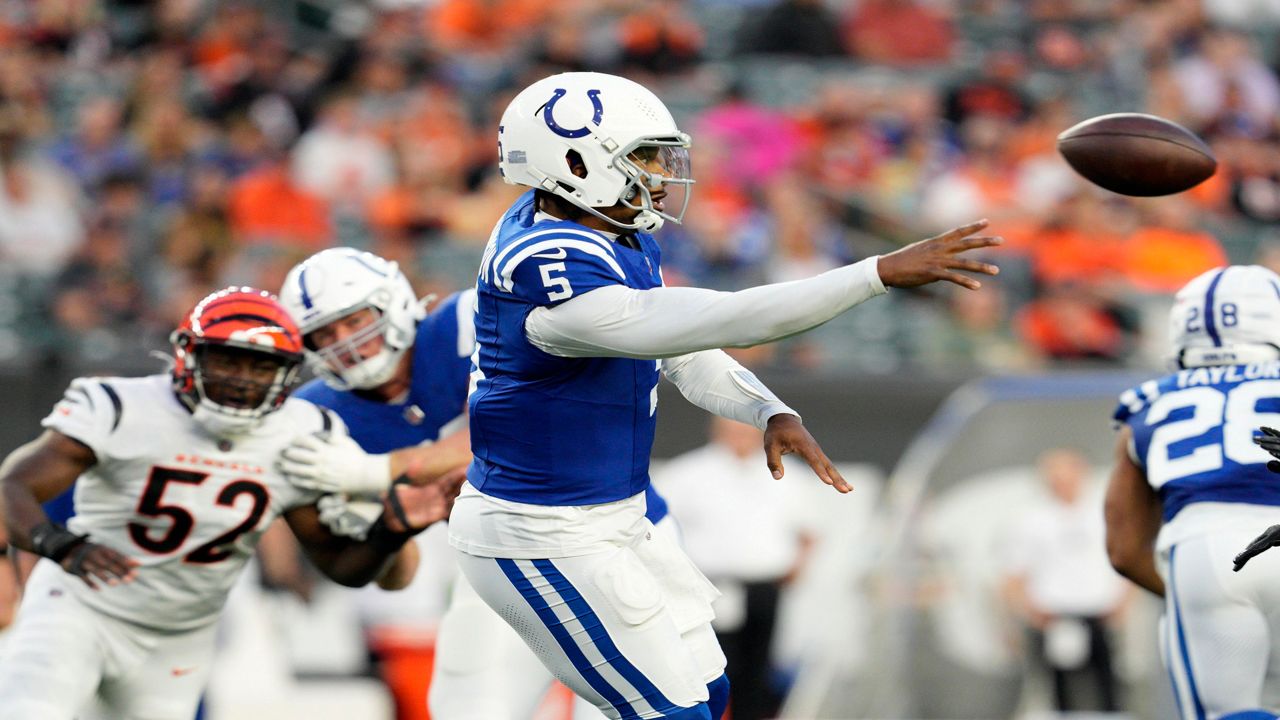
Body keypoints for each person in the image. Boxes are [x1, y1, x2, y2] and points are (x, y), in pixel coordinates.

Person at [450, 70, 1000, 719]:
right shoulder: (545, 268)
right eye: (640, 158)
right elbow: (727, 319)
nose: (658, 174)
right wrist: (876, 272)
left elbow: (677, 348)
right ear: (573, 164)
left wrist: (765, 407)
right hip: (540, 532)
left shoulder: (606, 231)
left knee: (711, 697)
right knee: (673, 713)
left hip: (616, 514)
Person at [0, 287, 454, 720]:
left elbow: (341, 567)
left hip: (180, 634)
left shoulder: (299, 434)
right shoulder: (124, 406)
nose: (242, 379)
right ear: (188, 354)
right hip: (80, 608)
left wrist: (392, 530)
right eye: (227, 361)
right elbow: (13, 488)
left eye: (261, 367)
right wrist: (63, 546)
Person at [276, 247, 667, 719]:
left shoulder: (470, 320)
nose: (344, 342)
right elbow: (387, 575)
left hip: (623, 539)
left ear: (392, 301)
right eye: (325, 334)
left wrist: (378, 470)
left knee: (653, 705)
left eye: (355, 321)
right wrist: (388, 527)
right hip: (502, 566)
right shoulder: (315, 417)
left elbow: (523, 424)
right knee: (469, 709)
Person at [1106, 265, 1280, 719]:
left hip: (1203, 547)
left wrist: (1191, 597)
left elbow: (1124, 550)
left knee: (1227, 712)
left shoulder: (1150, 401)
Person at [653, 417, 815, 720]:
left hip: (765, 586)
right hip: (709, 588)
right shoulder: (687, 473)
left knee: (760, 665)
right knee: (710, 666)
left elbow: (808, 529)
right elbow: (659, 527)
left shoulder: (788, 475)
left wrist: (798, 566)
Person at [1003, 448, 1128, 713]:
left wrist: (1124, 602)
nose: (1063, 484)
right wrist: (1027, 610)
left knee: (1110, 689)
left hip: (1100, 613)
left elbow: (1126, 560)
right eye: (1056, 478)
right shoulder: (1031, 519)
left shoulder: (1104, 513)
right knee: (1059, 693)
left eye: (1068, 477)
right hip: (1053, 616)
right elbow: (1014, 572)